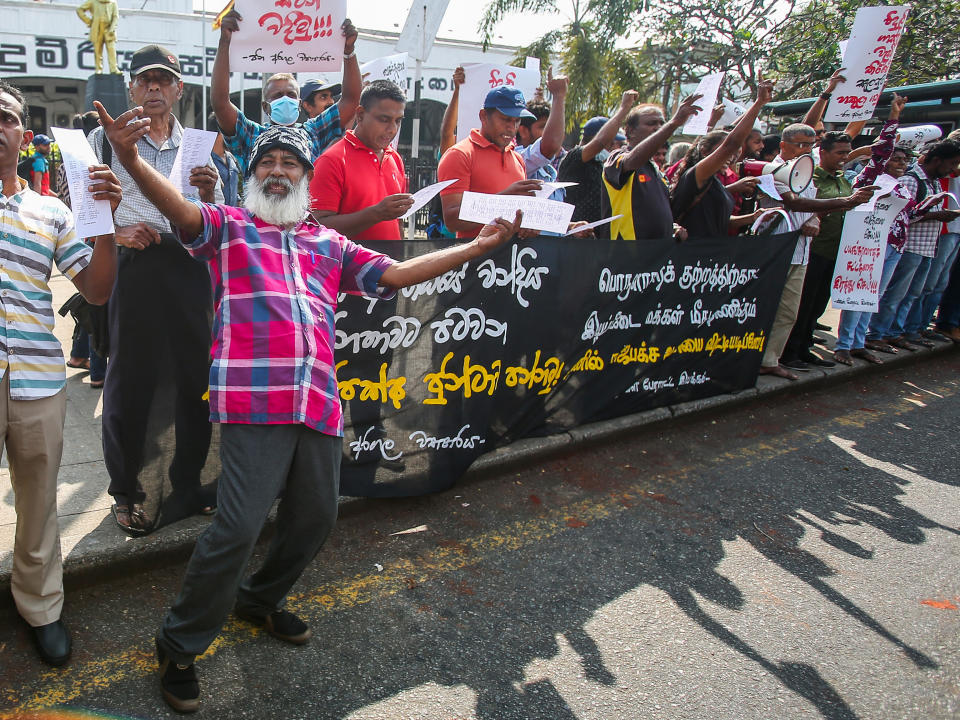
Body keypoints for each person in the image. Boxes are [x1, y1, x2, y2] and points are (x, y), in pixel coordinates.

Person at [96, 102, 523, 713]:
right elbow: (180, 211)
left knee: (317, 517)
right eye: (266, 161)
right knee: (239, 526)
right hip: (254, 401)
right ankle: (179, 643)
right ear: (251, 176)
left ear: (303, 177)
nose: (277, 171)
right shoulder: (228, 229)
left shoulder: (329, 244)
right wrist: (132, 158)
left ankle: (257, 600)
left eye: (289, 163)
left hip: (318, 402)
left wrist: (476, 248)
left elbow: (398, 275)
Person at [0, 80, 120, 666]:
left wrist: (105, 220)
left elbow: (95, 288)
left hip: (37, 379)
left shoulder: (50, 211)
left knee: (39, 501)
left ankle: (41, 606)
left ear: (25, 136)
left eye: (6, 119)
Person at [87, 44, 223, 536]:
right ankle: (128, 490)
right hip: (136, 269)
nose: (154, 88)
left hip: (189, 272)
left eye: (163, 80)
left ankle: (191, 483)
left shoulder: (198, 145)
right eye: (145, 80)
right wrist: (117, 233)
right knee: (132, 383)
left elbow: (219, 217)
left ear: (179, 88)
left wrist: (209, 196)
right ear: (131, 88)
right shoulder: (105, 140)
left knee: (196, 380)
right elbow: (74, 210)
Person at [754, 123, 873, 380]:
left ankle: (770, 359)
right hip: (776, 248)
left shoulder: (807, 171)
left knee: (789, 312)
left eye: (809, 144)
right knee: (765, 309)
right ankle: (753, 357)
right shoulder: (773, 170)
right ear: (783, 145)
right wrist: (846, 202)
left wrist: (815, 218)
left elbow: (811, 207)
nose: (805, 149)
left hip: (802, 250)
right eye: (799, 144)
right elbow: (794, 203)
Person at [212, 8, 361, 174]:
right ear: (265, 107)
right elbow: (220, 103)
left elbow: (351, 100)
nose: (285, 99)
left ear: (298, 104)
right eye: (277, 96)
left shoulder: (313, 134)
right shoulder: (251, 135)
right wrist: (224, 43)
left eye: (291, 95)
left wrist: (349, 53)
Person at [833, 94, 912, 365]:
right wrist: (893, 118)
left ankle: (858, 342)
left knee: (873, 296)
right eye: (897, 159)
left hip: (895, 245)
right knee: (857, 292)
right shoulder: (872, 176)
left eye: (905, 160)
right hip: (869, 243)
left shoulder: (900, 184)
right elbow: (882, 150)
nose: (901, 164)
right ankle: (843, 344)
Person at [865, 140, 960, 350]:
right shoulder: (912, 180)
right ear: (937, 160)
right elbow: (901, 216)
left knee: (912, 294)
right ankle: (877, 333)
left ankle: (895, 331)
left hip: (927, 246)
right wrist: (937, 215)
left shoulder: (933, 181)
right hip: (910, 246)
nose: (953, 170)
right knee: (895, 293)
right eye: (951, 164)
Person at [668, 79, 774, 238]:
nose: (731, 156)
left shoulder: (713, 181)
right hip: (690, 254)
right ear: (704, 151)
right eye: (723, 151)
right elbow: (731, 144)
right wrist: (758, 103)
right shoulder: (694, 176)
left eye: (735, 153)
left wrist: (752, 218)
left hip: (713, 255)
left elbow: (719, 220)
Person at [309, 80, 412, 241]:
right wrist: (375, 214)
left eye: (398, 120)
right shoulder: (332, 160)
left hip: (392, 264)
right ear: (360, 114)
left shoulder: (394, 158)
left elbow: (396, 223)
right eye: (384, 119)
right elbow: (316, 227)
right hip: (350, 265)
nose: (392, 128)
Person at [437, 86, 542, 238]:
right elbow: (452, 220)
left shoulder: (517, 158)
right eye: (505, 119)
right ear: (484, 116)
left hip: (514, 258)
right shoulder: (460, 155)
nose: (512, 127)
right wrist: (505, 199)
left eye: (517, 121)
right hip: (475, 260)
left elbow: (515, 218)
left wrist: (528, 226)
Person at [600, 97, 702, 241]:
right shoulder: (617, 158)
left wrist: (671, 227)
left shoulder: (656, 170)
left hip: (656, 255)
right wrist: (673, 123)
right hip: (625, 255)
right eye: (651, 123)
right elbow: (633, 160)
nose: (659, 127)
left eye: (662, 123)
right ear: (630, 131)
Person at [58, 111, 109, 388]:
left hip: (74, 231)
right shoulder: (91, 163)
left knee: (89, 299)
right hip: (91, 235)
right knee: (95, 301)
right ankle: (98, 370)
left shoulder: (68, 162)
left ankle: (81, 356)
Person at [557, 92, 639, 225]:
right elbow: (600, 141)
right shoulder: (574, 158)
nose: (613, 148)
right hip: (575, 236)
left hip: (599, 238)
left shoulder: (602, 165)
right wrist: (624, 108)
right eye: (611, 143)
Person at [514, 68, 569, 200]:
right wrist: (558, 96)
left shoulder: (549, 172)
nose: (550, 131)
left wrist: (572, 222)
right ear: (523, 131)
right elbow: (550, 144)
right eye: (543, 127)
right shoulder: (518, 161)